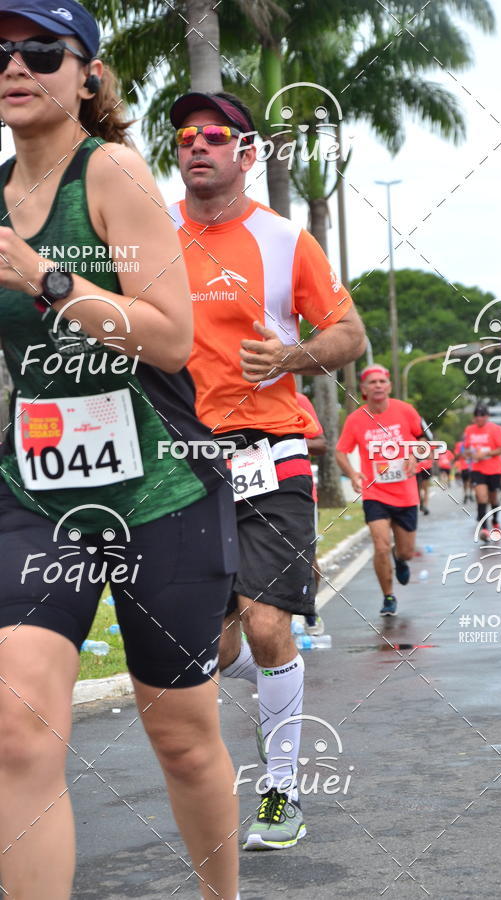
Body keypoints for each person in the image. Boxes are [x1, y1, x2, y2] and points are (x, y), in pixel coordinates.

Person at [0, 3, 239, 898]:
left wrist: (44, 277)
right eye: (1, 53)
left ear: (87, 74)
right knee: (16, 726)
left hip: (161, 487)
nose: (16, 66)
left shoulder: (113, 173)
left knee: (180, 737)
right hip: (38, 487)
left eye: (40, 51)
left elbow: (171, 336)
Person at [169, 89, 365, 850]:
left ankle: (280, 794)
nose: (198, 144)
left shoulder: (287, 242)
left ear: (248, 156)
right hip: (186, 464)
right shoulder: (150, 239)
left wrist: (291, 354)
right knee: (214, 651)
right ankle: (269, 665)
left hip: (272, 450)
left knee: (267, 619)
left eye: (216, 134)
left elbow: (346, 333)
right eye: (186, 134)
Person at [335, 365, 425, 616]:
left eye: (382, 381)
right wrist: (352, 474)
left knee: (405, 550)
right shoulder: (355, 420)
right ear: (363, 389)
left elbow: (426, 440)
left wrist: (415, 457)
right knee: (380, 545)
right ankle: (388, 596)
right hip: (375, 493)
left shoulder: (405, 411)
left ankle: (401, 558)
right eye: (372, 382)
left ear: (389, 386)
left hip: (406, 492)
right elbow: (340, 451)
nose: (377, 385)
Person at [295, 390, 326, 637]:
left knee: (305, 555)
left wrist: (284, 441)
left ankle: (310, 608)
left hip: (296, 491)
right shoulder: (228, 396)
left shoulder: (298, 400)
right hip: (245, 491)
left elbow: (320, 444)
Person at [462, 403, 501, 541]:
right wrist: (471, 454)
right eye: (476, 415)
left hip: (494, 469)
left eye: (482, 415)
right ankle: (484, 528)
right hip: (477, 468)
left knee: (493, 498)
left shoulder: (495, 429)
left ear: (487, 416)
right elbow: (466, 450)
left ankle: (495, 520)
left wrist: (486, 453)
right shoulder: (469, 430)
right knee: (481, 497)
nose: (479, 418)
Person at [454, 438, 473, 503]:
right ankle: (466, 494)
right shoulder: (459, 445)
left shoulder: (472, 443)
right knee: (465, 482)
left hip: (471, 466)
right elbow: (456, 455)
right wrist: (461, 453)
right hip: (463, 466)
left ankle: (470, 494)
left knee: (470, 481)